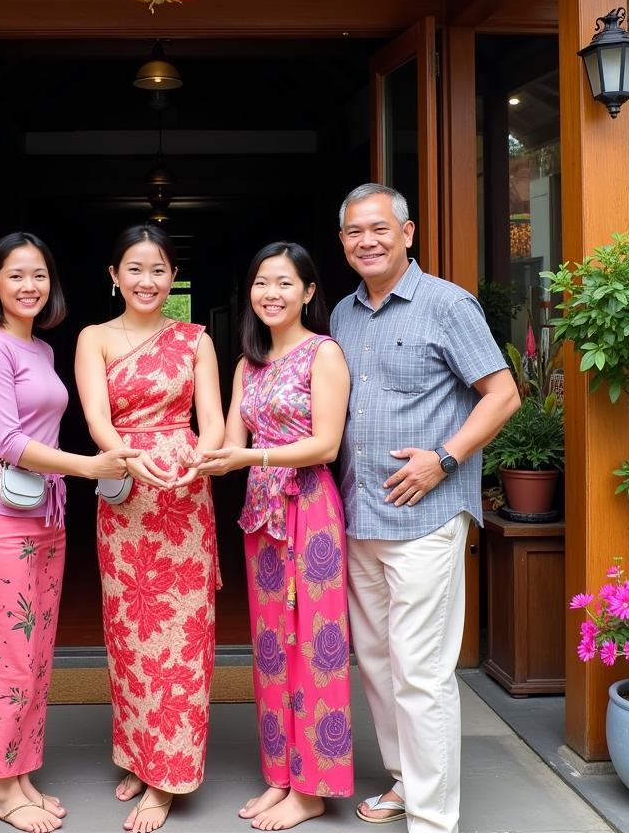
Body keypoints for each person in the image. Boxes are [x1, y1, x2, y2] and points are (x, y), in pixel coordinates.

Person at [329, 184, 519, 833]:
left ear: (408, 233)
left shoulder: (446, 304)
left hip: (427, 517)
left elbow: (502, 394)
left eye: (379, 228)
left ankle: (435, 819)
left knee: (422, 671)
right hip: (360, 516)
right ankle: (408, 782)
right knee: (380, 668)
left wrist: (444, 456)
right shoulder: (343, 316)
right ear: (343, 243)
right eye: (354, 232)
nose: (367, 241)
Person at [0, 232, 137, 833]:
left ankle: (21, 776)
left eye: (39, 275)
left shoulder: (39, 348)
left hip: (47, 515)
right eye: (16, 276)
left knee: (37, 657)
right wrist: (88, 466)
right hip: (2, 517)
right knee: (8, 656)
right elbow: (7, 443)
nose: (29, 286)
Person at [197, 242, 353, 832]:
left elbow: (326, 445)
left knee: (314, 645)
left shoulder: (324, 354)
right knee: (269, 648)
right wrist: (182, 457)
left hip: (309, 509)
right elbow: (228, 438)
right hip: (261, 516)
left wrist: (252, 455)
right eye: (262, 283)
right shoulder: (247, 364)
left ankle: (314, 787)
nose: (272, 294)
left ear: (309, 293)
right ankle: (281, 775)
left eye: (285, 283)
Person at [74, 224, 224, 833]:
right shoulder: (94, 338)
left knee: (182, 638)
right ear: (114, 276)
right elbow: (97, 419)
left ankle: (168, 778)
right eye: (134, 269)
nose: (147, 281)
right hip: (127, 495)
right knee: (130, 634)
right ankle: (138, 753)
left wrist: (194, 463)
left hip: (187, 498)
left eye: (158, 269)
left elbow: (211, 420)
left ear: (172, 277)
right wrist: (133, 463)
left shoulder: (195, 339)